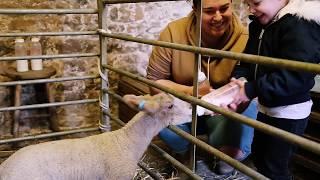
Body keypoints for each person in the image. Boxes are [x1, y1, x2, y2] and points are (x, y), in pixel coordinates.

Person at [146, 0, 257, 175]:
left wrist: (228, 98)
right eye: (209, 11)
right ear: (195, 10)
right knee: (156, 108)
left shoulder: (245, 38)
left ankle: (227, 156)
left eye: (224, 8)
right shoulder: (173, 33)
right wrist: (192, 92)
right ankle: (183, 151)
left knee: (249, 107)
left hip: (223, 110)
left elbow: (249, 83)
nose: (218, 17)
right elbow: (155, 82)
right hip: (184, 107)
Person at [230, 0, 320, 179]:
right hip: (266, 106)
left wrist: (250, 89)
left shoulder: (300, 24)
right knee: (259, 157)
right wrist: (240, 80)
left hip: (289, 112)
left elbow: (295, 75)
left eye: (256, 2)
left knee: (275, 167)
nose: (251, 9)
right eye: (248, 4)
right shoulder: (260, 25)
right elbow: (248, 59)